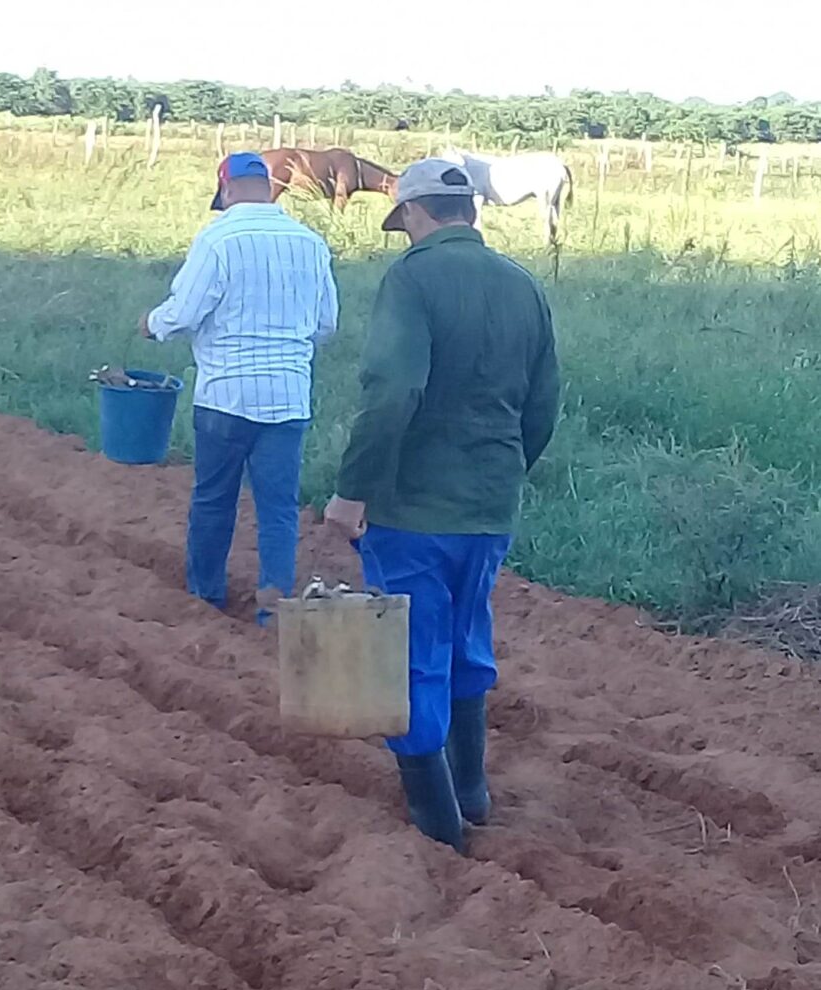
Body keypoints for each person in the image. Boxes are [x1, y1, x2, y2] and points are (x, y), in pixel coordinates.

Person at [324, 158, 560, 852]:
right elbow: (543, 404)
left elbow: (393, 391)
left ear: (415, 214)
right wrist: (505, 471)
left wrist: (352, 490)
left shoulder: (413, 278)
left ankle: (438, 824)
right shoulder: (524, 285)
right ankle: (473, 791)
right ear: (471, 212)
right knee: (466, 641)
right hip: (489, 506)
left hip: (412, 508)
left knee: (411, 657)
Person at [141, 152, 339, 624]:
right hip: (288, 397)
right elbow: (326, 325)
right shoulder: (311, 243)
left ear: (226, 190)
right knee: (278, 509)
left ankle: (205, 596)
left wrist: (152, 324)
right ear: (268, 187)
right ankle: (273, 611)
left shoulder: (217, 238)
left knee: (214, 499)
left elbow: (185, 312)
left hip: (224, 396)